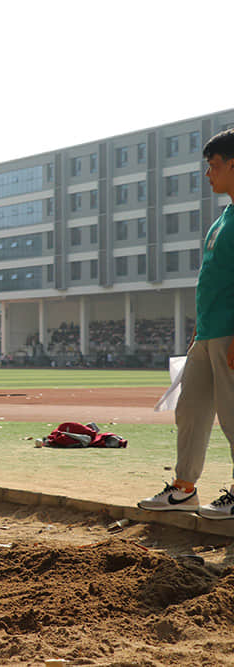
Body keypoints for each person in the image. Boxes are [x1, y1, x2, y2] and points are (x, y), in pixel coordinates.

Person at [139, 128, 234, 520]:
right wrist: (199, 329)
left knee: (233, 415)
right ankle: (183, 489)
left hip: (231, 332)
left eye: (213, 166)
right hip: (209, 332)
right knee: (191, 410)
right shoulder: (225, 216)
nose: (208, 174)